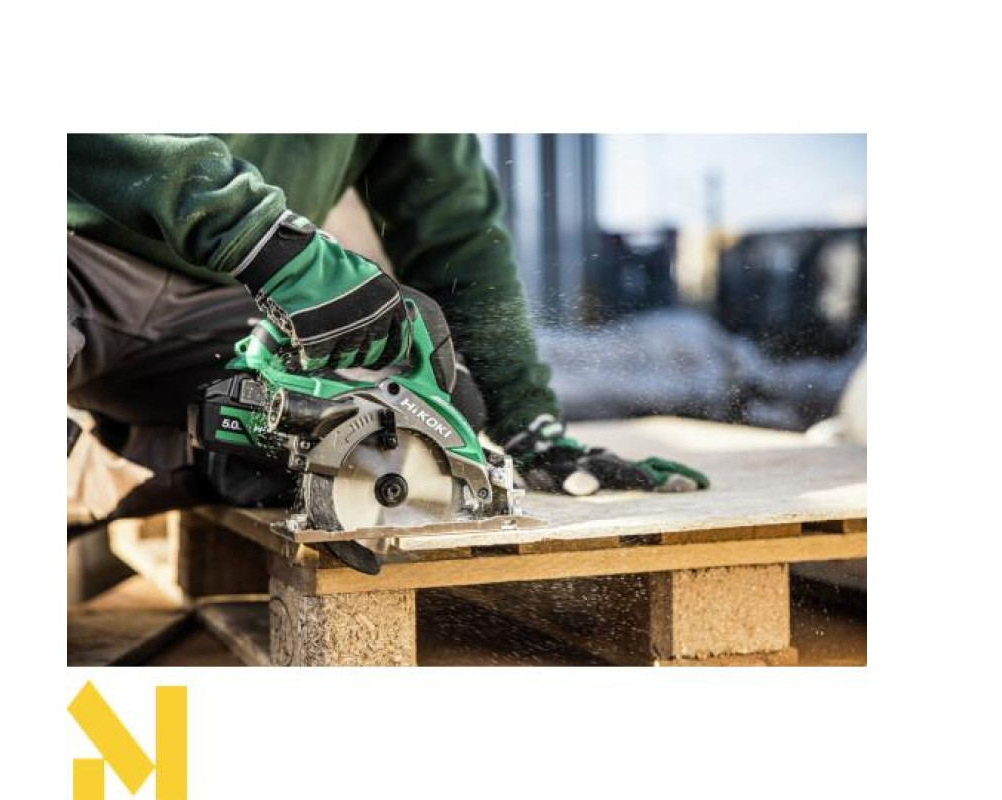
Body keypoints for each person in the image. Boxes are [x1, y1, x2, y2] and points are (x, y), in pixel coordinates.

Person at [67, 134, 709, 527]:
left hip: (230, 296)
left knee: (402, 394)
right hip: (78, 252)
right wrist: (265, 241)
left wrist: (526, 428)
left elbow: (457, 239)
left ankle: (156, 461)